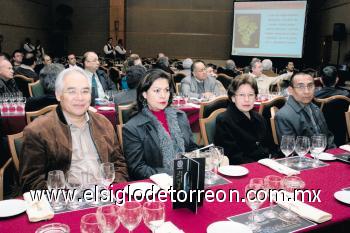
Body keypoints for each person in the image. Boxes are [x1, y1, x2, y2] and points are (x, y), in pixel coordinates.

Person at [19, 67, 128, 192]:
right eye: (71, 91)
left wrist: (111, 190)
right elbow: (31, 182)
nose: (80, 97)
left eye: (85, 91)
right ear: (58, 95)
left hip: (106, 195)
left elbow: (119, 165)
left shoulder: (103, 123)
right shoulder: (38, 131)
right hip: (66, 201)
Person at [123, 69, 197, 180]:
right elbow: (137, 168)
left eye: (166, 90)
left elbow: (191, 148)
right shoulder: (132, 127)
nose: (163, 95)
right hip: (155, 185)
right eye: (157, 91)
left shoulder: (180, 117)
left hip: (186, 179)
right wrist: (173, 173)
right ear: (144, 94)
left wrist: (208, 155)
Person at [214, 74, 276, 165]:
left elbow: (271, 146)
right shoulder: (224, 120)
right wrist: (261, 165)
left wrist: (274, 159)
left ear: (255, 97)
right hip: (243, 169)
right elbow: (233, 157)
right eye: (242, 95)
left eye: (251, 95)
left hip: (266, 164)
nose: (247, 99)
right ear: (233, 97)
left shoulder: (259, 118)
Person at [275, 72, 336, 148]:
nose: (307, 91)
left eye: (310, 86)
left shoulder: (316, 108)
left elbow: (328, 136)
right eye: (300, 87)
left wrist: (333, 152)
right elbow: (290, 149)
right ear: (291, 90)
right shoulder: (284, 115)